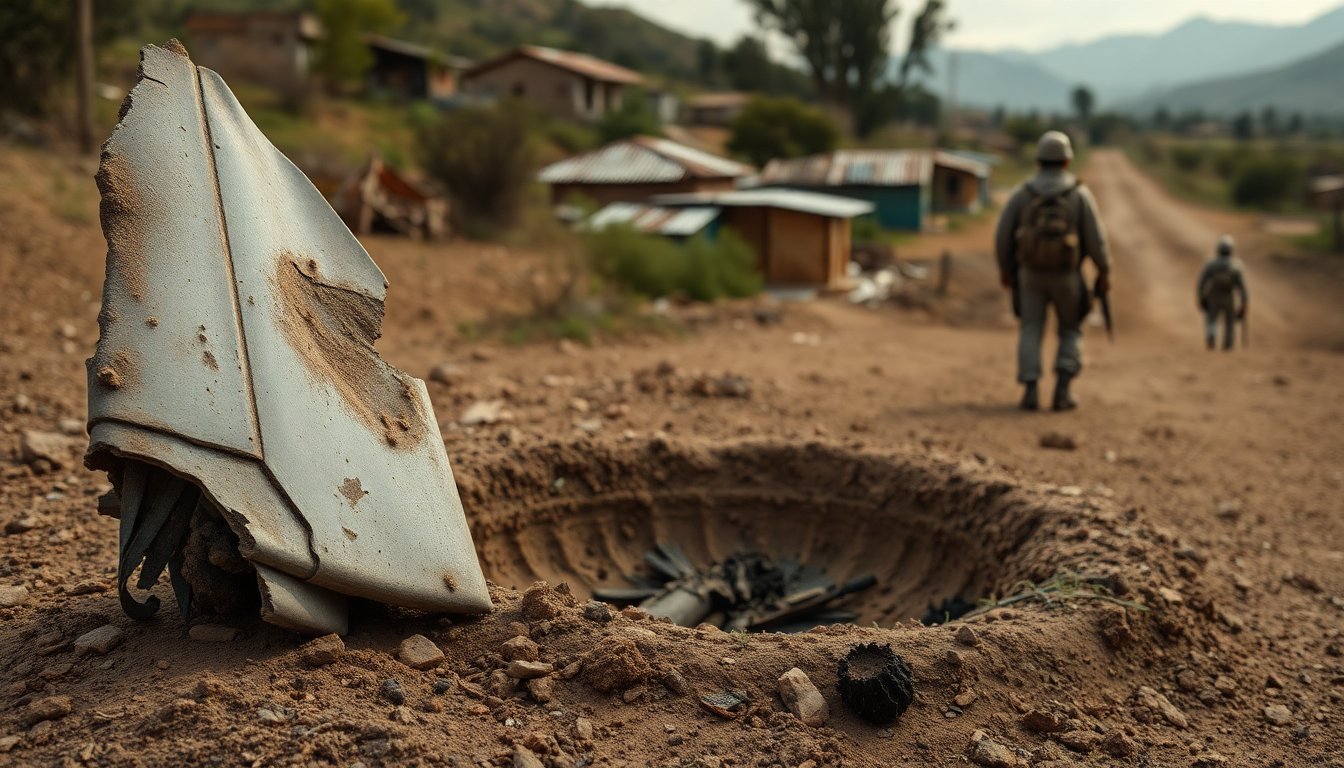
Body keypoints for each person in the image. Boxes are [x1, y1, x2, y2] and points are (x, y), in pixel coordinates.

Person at [994, 130, 1111, 411]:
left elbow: (1003, 235)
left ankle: (1031, 391)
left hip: (1029, 275)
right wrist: (1104, 271)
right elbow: (1096, 239)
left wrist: (1006, 270)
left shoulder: (1023, 193)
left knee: (1031, 328)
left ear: (1038, 161)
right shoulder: (1079, 194)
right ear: (1067, 161)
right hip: (1068, 276)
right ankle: (1062, 390)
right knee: (1071, 329)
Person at [1197, 235, 1248, 350]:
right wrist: (1244, 303)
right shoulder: (1236, 266)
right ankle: (1228, 343)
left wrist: (1200, 297)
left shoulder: (1211, 264)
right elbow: (1242, 288)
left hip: (1213, 297)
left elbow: (1202, 282)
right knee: (1230, 322)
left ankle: (1211, 337)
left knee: (1211, 319)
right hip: (1228, 297)